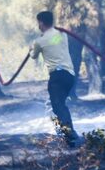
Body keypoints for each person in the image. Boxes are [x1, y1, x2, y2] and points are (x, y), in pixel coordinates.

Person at [30, 11, 79, 146]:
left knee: (58, 106)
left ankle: (71, 134)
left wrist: (32, 47)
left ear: (41, 22)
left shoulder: (40, 41)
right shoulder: (61, 35)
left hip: (57, 76)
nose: (38, 25)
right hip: (69, 76)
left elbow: (33, 55)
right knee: (60, 105)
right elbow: (54, 42)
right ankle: (66, 134)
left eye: (38, 23)